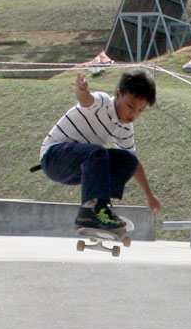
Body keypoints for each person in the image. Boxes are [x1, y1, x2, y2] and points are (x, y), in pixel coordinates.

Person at [36, 69, 162, 233]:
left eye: (140, 110)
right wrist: (81, 90)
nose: (133, 114)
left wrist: (150, 196)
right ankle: (90, 210)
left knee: (128, 160)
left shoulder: (125, 128)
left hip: (79, 166)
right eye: (131, 106)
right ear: (118, 94)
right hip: (54, 158)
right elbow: (86, 99)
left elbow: (136, 165)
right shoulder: (103, 103)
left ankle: (101, 208)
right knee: (98, 153)